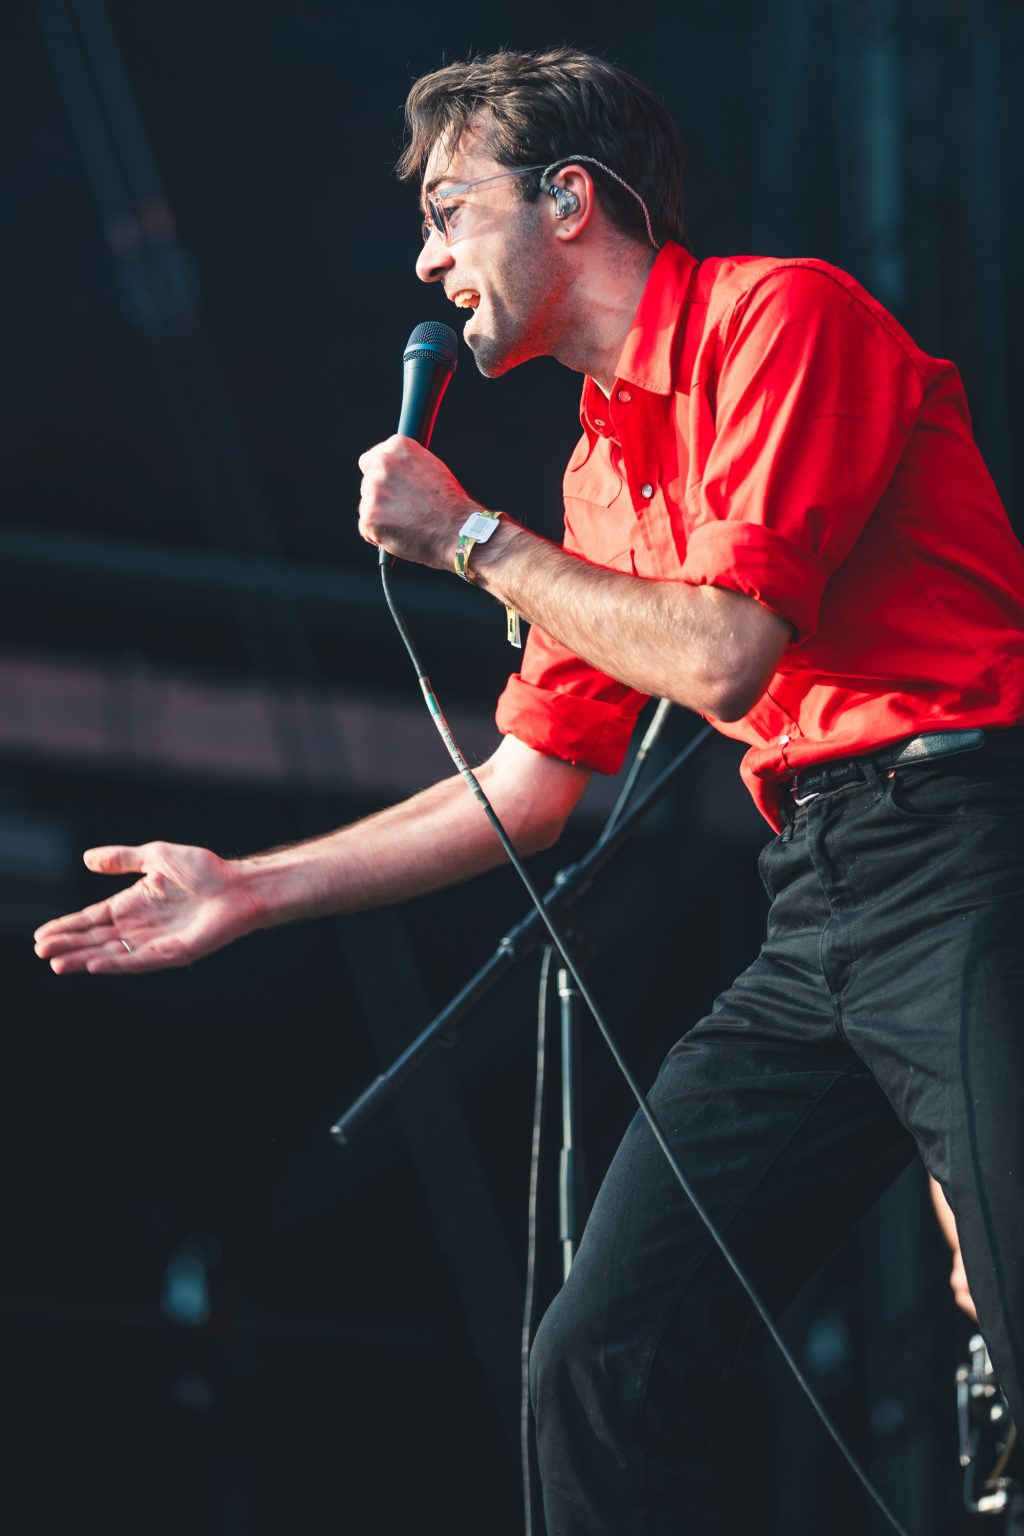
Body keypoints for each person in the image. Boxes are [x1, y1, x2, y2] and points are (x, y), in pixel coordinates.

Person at [34, 47, 1024, 1535]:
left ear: (570, 200)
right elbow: (529, 784)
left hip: (968, 841)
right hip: (821, 892)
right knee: (599, 1351)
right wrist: (250, 887)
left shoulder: (781, 315)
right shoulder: (596, 477)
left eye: (448, 209)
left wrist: (473, 545)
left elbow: (731, 655)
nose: (429, 262)